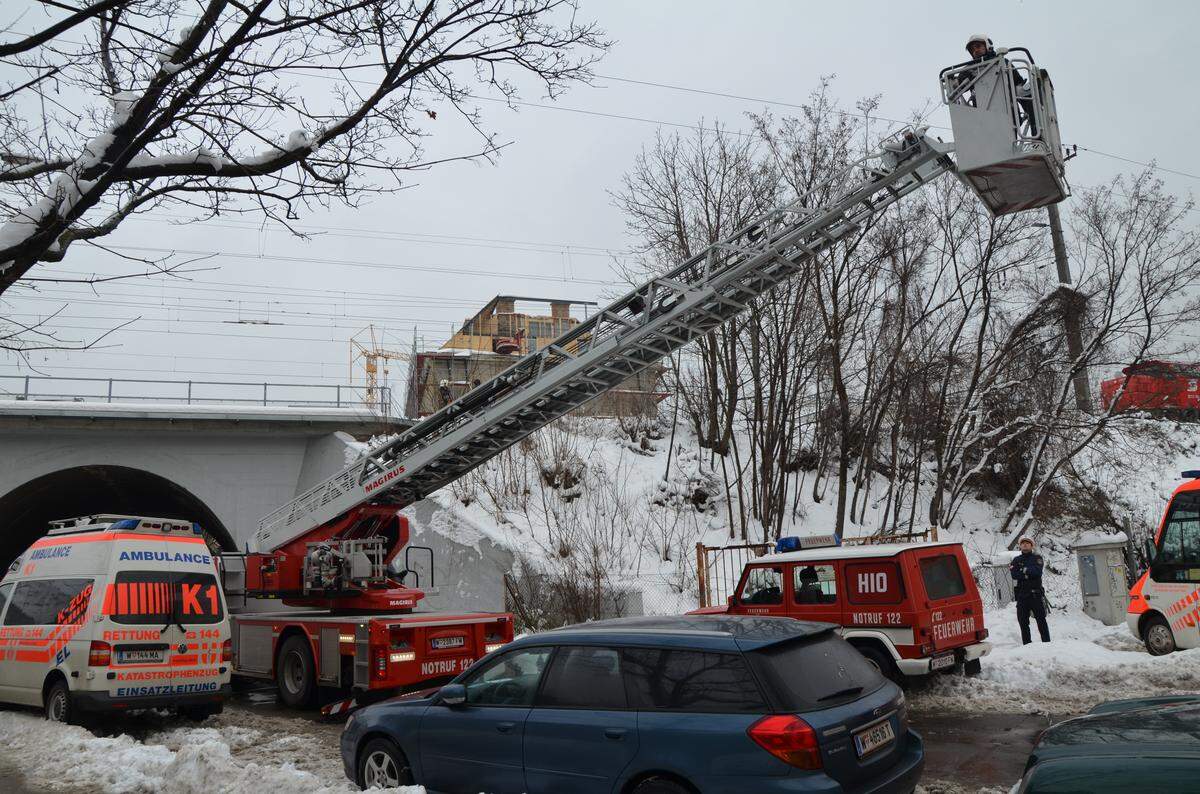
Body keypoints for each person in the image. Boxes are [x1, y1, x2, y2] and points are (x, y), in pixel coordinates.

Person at [960, 33, 1037, 137]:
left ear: (987, 46)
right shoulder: (970, 69)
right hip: (983, 118)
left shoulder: (1003, 63)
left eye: (978, 46)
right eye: (972, 50)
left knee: (1026, 93)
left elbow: (1019, 85)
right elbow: (959, 85)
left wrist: (1030, 113)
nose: (975, 51)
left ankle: (1037, 135)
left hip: (1008, 114)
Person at [1010, 536, 1051, 644]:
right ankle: (1027, 645)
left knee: (1041, 620)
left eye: (1027, 543)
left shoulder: (1037, 558)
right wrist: (1028, 573)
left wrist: (1023, 570)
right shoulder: (1016, 560)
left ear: (1032, 545)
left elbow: (1037, 572)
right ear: (1020, 546)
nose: (1025, 545)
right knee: (1023, 622)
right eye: (1023, 543)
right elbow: (1014, 575)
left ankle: (1047, 643)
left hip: (1035, 594)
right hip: (1022, 595)